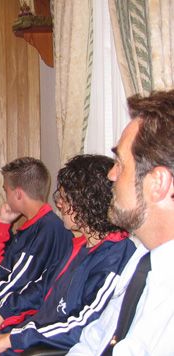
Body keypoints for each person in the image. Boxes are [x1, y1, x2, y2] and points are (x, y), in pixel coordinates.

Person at [0, 154, 136, 355]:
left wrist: (6, 340)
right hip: (28, 336)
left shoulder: (117, 256)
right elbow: (41, 288)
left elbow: (81, 325)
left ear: (85, 202)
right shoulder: (78, 245)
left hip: (41, 347)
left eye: (63, 198)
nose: (59, 204)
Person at [68, 90, 174, 355]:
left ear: (158, 184)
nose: (111, 175)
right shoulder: (142, 260)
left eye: (120, 163)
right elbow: (93, 343)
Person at [0, 157, 73, 321]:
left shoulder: (46, 231)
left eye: (6, 190)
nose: (5, 196)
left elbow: (15, 285)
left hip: (10, 313)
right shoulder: (33, 226)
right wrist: (2, 224)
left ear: (17, 194)